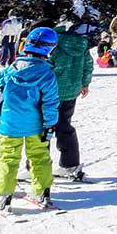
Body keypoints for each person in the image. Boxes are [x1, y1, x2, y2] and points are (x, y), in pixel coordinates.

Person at [0, 24, 60, 211]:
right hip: (36, 126)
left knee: (8, 158)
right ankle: (41, 192)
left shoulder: (7, 72)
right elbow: (50, 103)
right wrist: (50, 126)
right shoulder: (47, 75)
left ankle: (2, 196)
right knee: (40, 157)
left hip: (10, 126)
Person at [50, 21, 94, 184]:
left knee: (42, 127)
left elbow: (47, 66)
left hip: (51, 92)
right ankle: (70, 164)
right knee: (64, 126)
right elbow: (88, 65)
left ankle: (36, 166)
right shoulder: (82, 44)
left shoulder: (54, 44)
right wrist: (84, 83)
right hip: (71, 91)